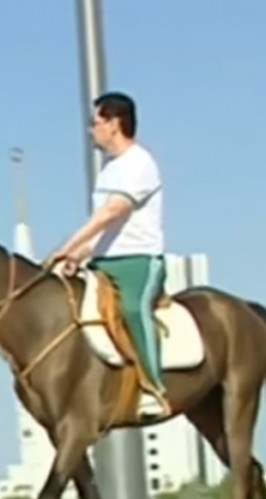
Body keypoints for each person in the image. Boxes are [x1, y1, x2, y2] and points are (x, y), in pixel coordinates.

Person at [47, 91, 169, 419]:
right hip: (102, 261)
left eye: (95, 122)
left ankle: (154, 388)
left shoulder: (140, 163)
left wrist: (68, 245)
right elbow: (105, 230)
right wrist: (78, 255)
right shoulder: (109, 171)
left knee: (132, 309)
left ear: (114, 124)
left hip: (139, 261)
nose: (91, 130)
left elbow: (113, 212)